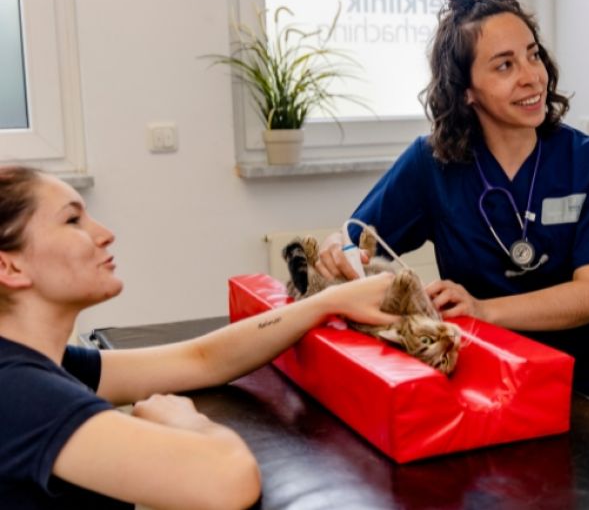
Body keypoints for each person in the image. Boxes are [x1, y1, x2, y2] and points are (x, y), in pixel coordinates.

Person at [315, 0, 589, 435]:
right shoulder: (432, 164)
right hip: (483, 373)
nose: (531, 76)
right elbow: (354, 239)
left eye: (533, 56)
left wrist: (483, 309)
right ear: (466, 90)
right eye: (504, 65)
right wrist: (337, 245)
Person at [0, 166, 397, 509]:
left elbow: (201, 360)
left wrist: (324, 304)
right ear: (10, 266)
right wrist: (183, 422)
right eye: (73, 221)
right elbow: (228, 480)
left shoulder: (46, 364)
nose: (104, 234)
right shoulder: (17, 392)